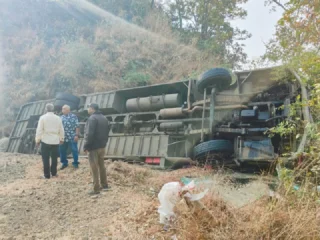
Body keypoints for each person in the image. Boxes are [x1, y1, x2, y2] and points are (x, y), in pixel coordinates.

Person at [84, 103, 110, 195]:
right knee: (102, 166)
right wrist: (104, 143)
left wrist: (86, 145)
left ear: (92, 109)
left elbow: (89, 134)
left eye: (88, 108)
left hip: (93, 147)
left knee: (94, 167)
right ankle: (105, 185)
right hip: (102, 146)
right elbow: (107, 132)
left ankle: (96, 189)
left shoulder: (92, 118)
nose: (88, 110)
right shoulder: (104, 118)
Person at [35, 103, 64, 179]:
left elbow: (39, 130)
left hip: (45, 140)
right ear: (53, 109)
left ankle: (46, 175)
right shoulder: (58, 118)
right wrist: (61, 138)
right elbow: (61, 129)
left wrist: (37, 140)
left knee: (45, 158)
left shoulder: (43, 118)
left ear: (46, 109)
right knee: (54, 158)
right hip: (55, 140)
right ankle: (54, 173)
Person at [59, 105, 80, 169]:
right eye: (62, 109)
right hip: (63, 136)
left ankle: (75, 163)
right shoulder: (60, 117)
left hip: (72, 135)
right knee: (62, 150)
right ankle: (64, 163)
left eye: (64, 109)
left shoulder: (74, 117)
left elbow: (77, 126)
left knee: (74, 150)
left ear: (68, 110)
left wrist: (76, 135)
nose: (63, 110)